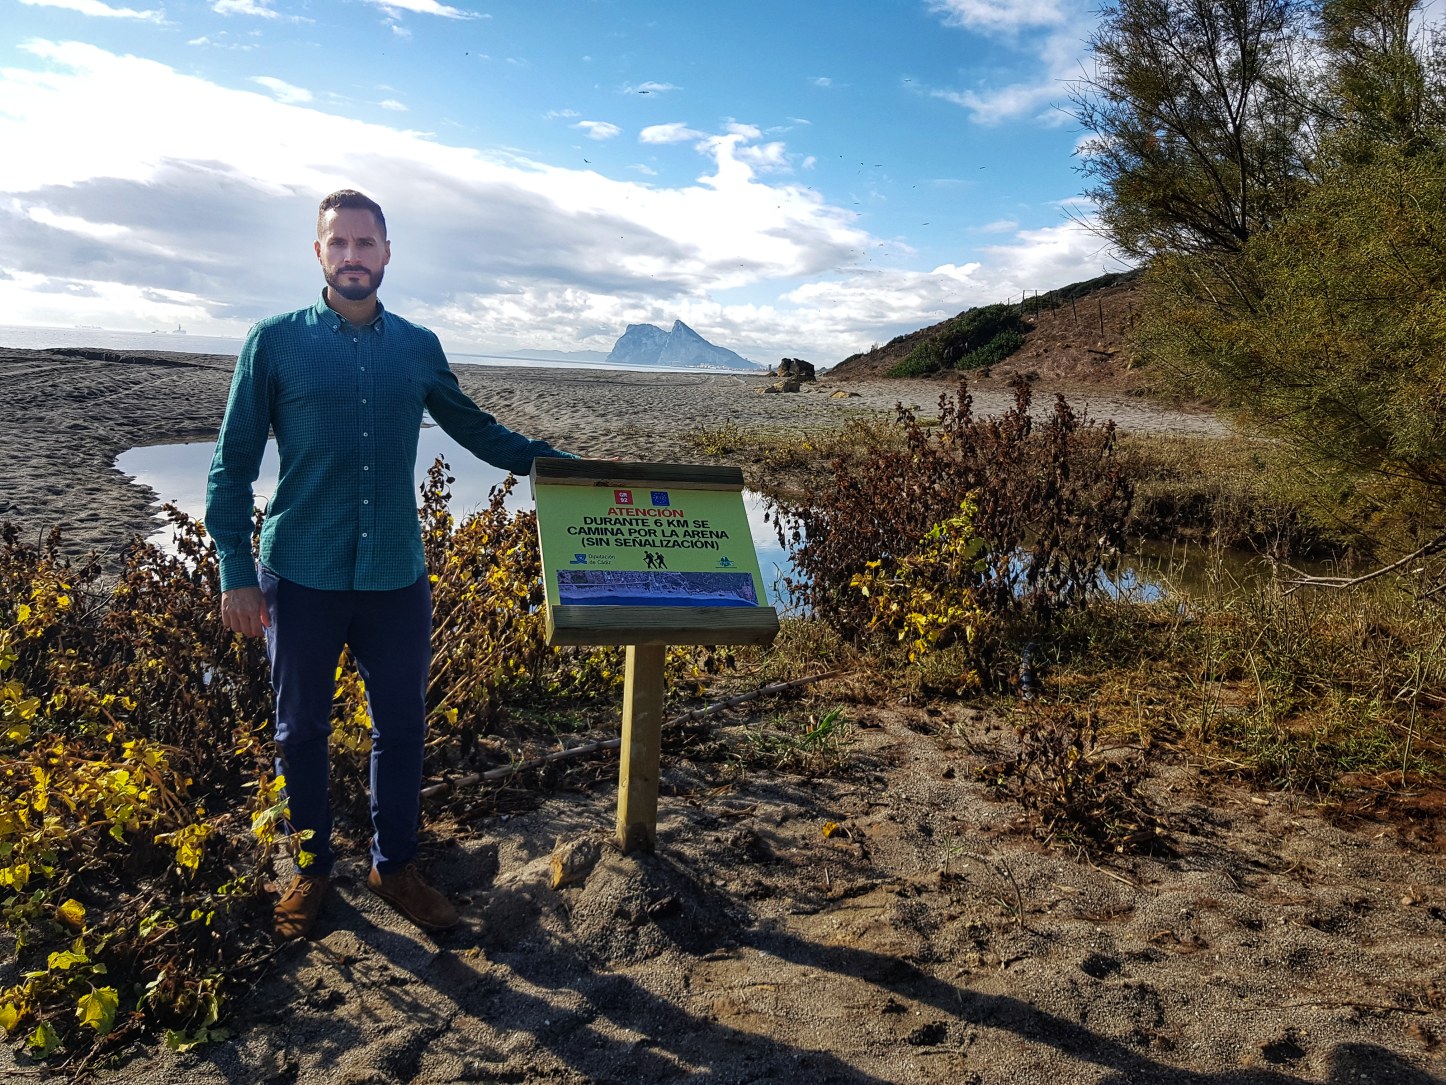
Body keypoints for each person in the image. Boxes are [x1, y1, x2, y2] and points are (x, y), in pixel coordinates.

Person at [205, 189, 575, 941]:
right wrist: (234, 570)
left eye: (365, 243)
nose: (352, 257)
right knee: (299, 728)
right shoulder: (271, 342)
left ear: (386, 254)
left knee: (402, 728)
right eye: (337, 243)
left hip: (395, 576)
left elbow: (479, 431)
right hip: (299, 572)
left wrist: (572, 468)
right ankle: (311, 870)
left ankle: (393, 865)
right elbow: (230, 465)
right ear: (318, 254)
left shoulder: (417, 346)